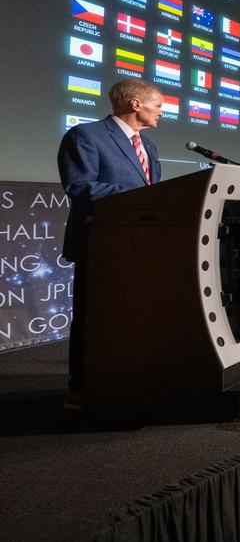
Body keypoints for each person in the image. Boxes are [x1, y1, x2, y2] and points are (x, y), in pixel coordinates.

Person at [57, 78, 164, 396]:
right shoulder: (85, 135)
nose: (161, 113)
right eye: (157, 106)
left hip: (142, 244)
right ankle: (84, 389)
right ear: (135, 105)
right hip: (100, 243)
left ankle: (130, 380)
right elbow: (79, 186)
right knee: (95, 318)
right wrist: (145, 196)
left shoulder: (150, 146)